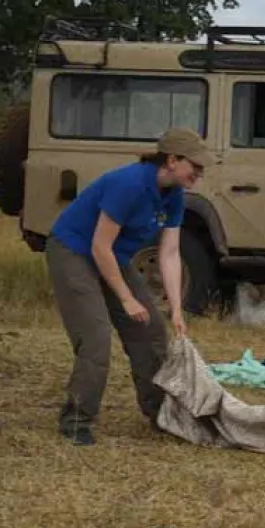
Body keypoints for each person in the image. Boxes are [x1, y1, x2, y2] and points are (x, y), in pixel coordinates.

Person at [45, 127, 211, 446]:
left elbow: (170, 252)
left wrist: (176, 309)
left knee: (152, 330)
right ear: (173, 160)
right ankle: (77, 419)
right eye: (196, 166)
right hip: (74, 250)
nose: (199, 174)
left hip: (110, 255)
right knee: (95, 337)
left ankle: (160, 412)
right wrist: (126, 298)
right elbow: (99, 246)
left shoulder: (174, 195)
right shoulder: (130, 184)